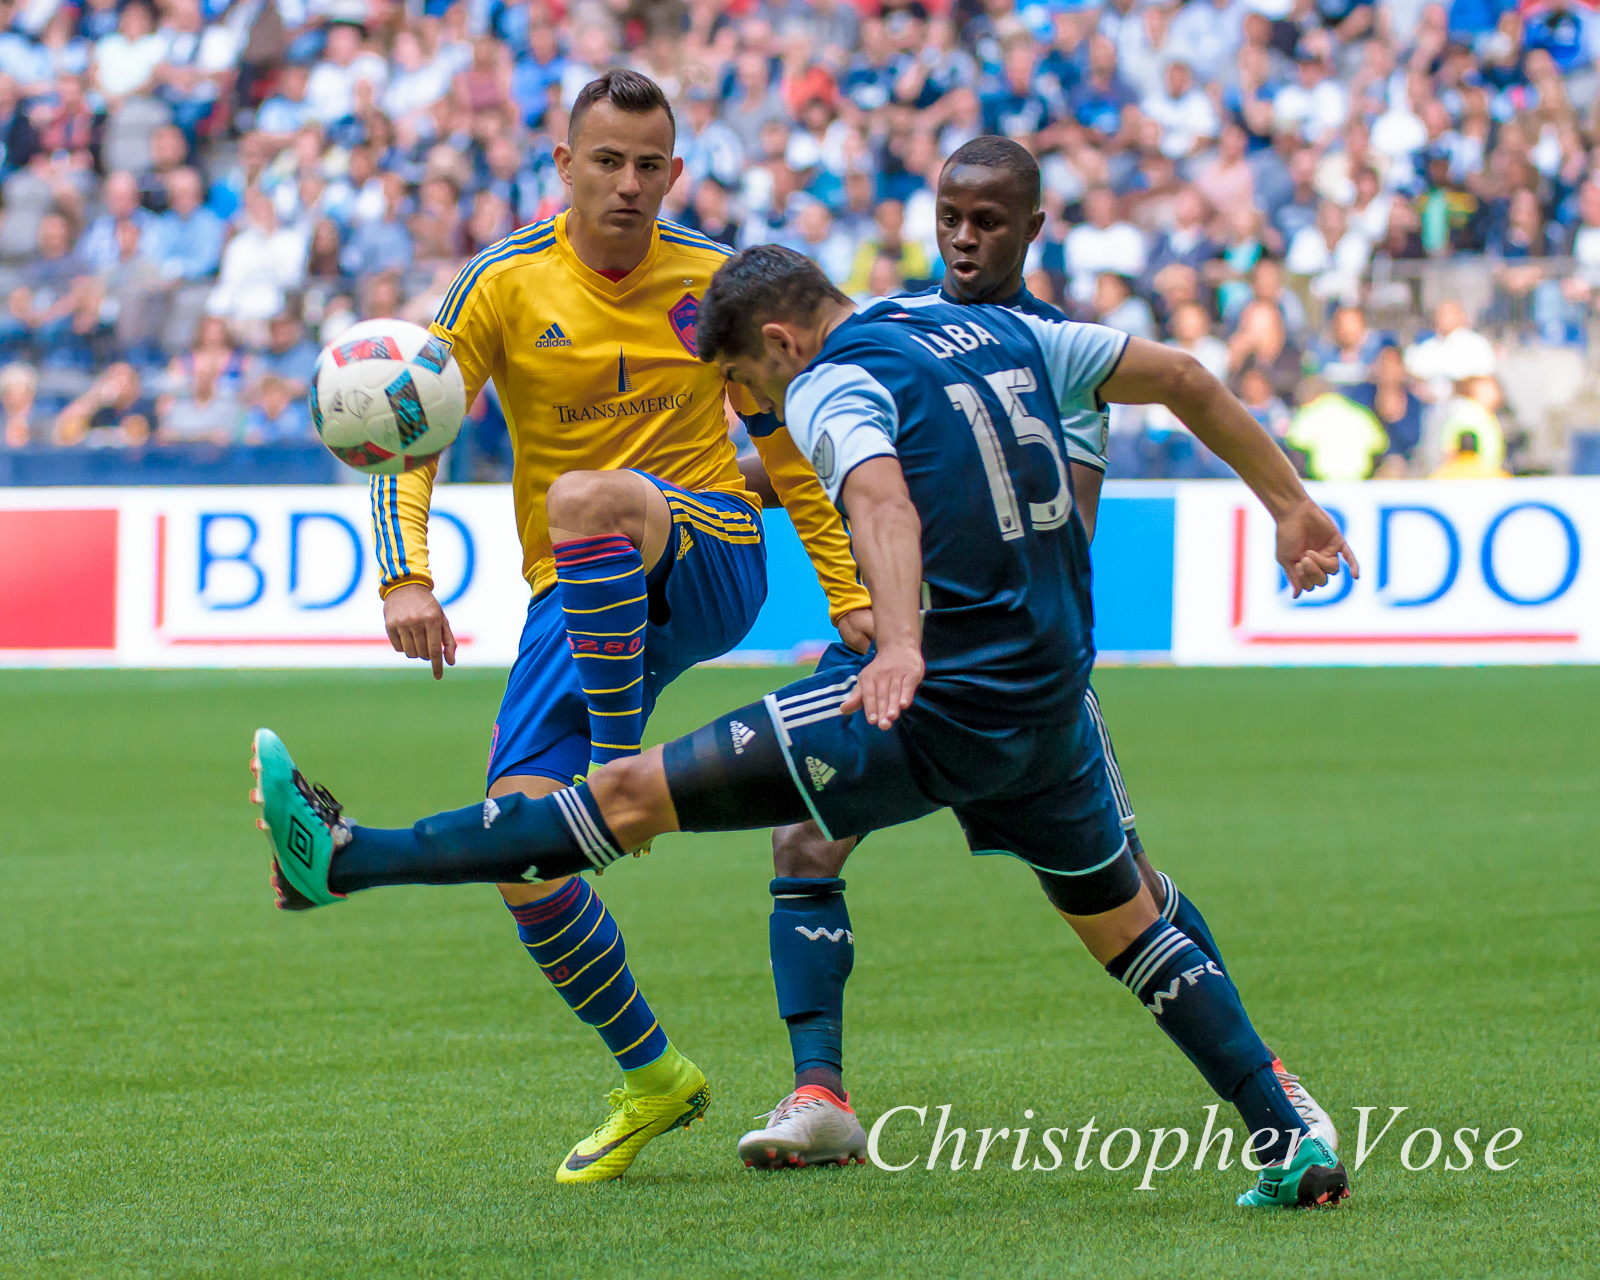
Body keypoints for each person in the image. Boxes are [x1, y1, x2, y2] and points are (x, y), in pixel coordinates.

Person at [252, 243, 1359, 1211]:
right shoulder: (988, 324)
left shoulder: (830, 382)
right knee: (1122, 919)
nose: (748, 404)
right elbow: (1182, 375)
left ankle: (345, 860)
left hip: (933, 701)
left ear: (779, 338)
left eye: (739, 381)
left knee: (625, 795)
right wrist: (1290, 499)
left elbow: (877, 499)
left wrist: (899, 644)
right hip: (1048, 701)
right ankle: (1284, 1129)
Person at [734, 137, 1336, 1168]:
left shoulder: (1055, 350)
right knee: (803, 838)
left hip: (1014, 672)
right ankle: (819, 1094)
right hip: (907, 658)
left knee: (1125, 891)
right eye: (950, 217)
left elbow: (1072, 522)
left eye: (989, 221)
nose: (964, 239)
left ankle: (1268, 1084)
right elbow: (834, 466)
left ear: (1034, 228)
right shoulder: (897, 327)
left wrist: (1289, 504)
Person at [364, 70, 869, 1185]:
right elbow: (416, 423)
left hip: (708, 553)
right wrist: (405, 572)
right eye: (608, 161)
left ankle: (607, 780)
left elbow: (789, 445)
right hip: (577, 592)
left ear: (674, 173)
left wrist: (851, 599)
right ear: (563, 164)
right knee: (521, 850)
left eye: (650, 165)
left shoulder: (710, 279)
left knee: (593, 495)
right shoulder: (498, 285)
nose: (630, 185)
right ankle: (653, 1072)